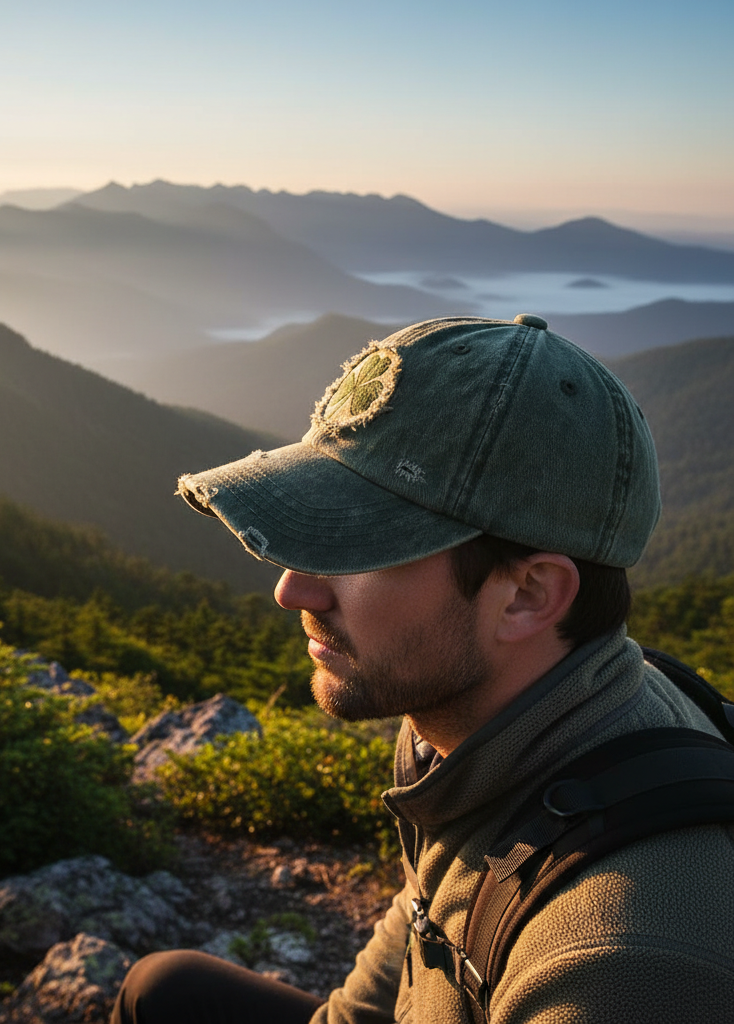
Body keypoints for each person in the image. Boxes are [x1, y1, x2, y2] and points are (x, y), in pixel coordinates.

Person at [111, 314, 734, 1024]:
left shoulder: (623, 966)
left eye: (359, 547)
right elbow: (416, 952)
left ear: (527, 596)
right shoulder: (488, 730)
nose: (294, 590)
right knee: (163, 991)